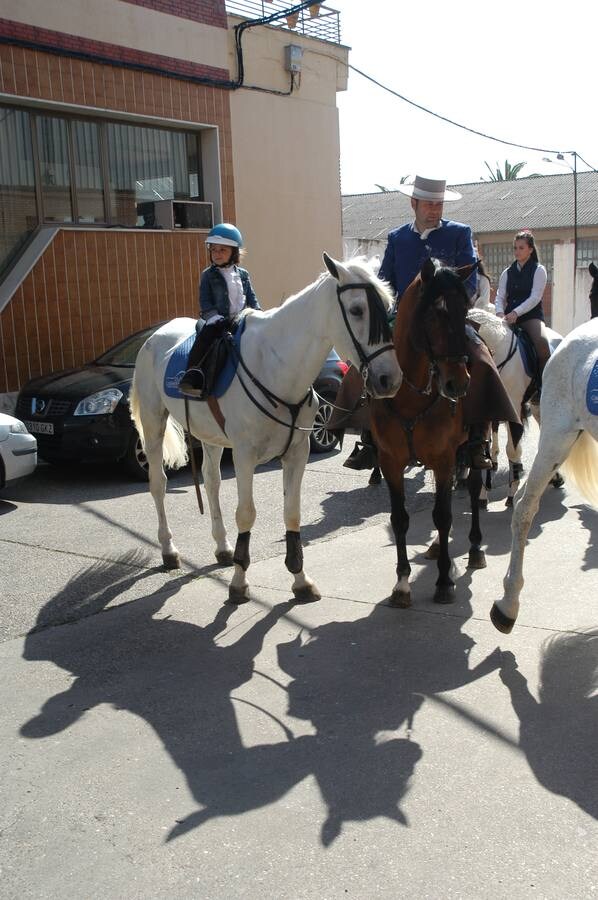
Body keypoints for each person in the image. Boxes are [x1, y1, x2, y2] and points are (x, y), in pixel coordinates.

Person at [337, 174, 519, 472]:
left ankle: (476, 440)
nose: (435, 209)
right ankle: (369, 438)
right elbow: (386, 283)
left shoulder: (459, 233)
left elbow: (469, 281)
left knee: (481, 359)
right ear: (414, 203)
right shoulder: (398, 238)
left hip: (447, 320)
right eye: (429, 204)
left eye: (439, 204)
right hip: (406, 322)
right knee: (368, 363)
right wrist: (393, 312)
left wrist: (448, 307)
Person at [179, 223, 261, 396]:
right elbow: (205, 300)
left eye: (222, 250)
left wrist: (260, 315)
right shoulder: (207, 275)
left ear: (234, 252)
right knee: (205, 337)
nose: (216, 254)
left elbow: (252, 298)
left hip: (240, 320)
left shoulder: (244, 275)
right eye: (214, 250)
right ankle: (192, 375)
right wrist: (213, 317)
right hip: (217, 320)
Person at [494, 230, 551, 390]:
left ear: (530, 249)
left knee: (542, 343)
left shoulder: (539, 270)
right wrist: (499, 312)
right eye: (515, 248)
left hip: (530, 318)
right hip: (507, 318)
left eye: (521, 248)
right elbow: (499, 296)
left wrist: (516, 313)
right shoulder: (507, 272)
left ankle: (542, 387)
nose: (517, 251)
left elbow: (535, 298)